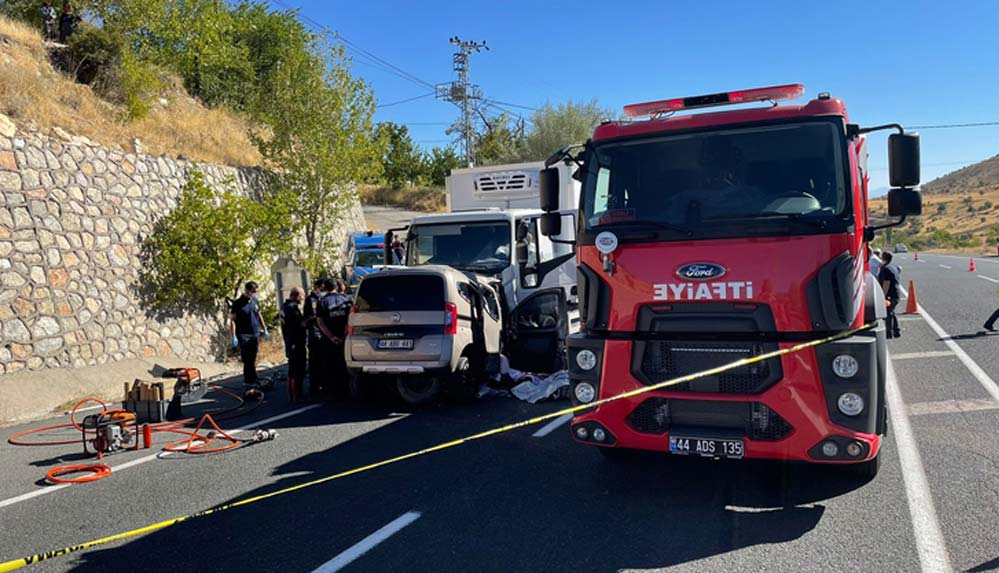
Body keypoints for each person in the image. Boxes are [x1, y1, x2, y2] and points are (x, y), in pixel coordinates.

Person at [230, 281, 269, 390]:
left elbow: (259, 314)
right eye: (253, 292)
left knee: (253, 358)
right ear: (247, 290)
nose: (255, 294)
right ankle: (248, 381)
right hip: (243, 334)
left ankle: (253, 378)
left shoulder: (255, 301)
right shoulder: (238, 303)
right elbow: (233, 320)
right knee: (247, 359)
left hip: (254, 333)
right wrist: (233, 335)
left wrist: (264, 328)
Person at [317, 278, 350, 398]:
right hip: (344, 338)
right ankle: (345, 391)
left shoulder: (322, 302)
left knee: (329, 366)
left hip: (328, 340)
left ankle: (331, 392)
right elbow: (349, 320)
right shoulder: (346, 300)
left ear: (325, 288)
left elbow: (320, 323)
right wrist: (344, 335)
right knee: (343, 365)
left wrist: (332, 337)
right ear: (337, 287)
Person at [280, 287, 307, 402]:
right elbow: (300, 324)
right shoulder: (293, 308)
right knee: (298, 369)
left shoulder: (284, 307)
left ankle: (292, 394)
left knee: (292, 369)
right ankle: (296, 394)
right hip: (296, 341)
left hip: (289, 340)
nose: (303, 299)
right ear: (297, 296)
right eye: (302, 296)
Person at [303, 279, 326, 399]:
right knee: (314, 361)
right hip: (314, 333)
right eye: (321, 288)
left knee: (321, 361)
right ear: (316, 287)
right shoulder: (311, 300)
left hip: (321, 333)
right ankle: (314, 387)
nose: (322, 291)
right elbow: (312, 316)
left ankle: (322, 384)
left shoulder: (321, 299)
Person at [878, 252, 902, 339]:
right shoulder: (893, 266)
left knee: (888, 313)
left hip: (890, 295)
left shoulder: (885, 269)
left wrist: (882, 296)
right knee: (891, 312)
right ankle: (896, 331)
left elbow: (886, 283)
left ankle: (889, 333)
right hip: (896, 292)